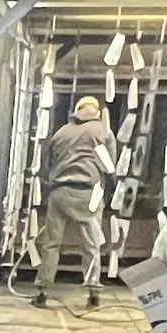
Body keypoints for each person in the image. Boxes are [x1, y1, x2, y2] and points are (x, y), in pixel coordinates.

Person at [31, 94, 117, 307]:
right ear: (96, 112)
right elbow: (110, 166)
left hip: (60, 191)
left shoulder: (61, 133)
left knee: (51, 243)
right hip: (89, 193)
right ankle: (93, 292)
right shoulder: (103, 132)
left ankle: (42, 290)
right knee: (91, 243)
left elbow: (46, 165)